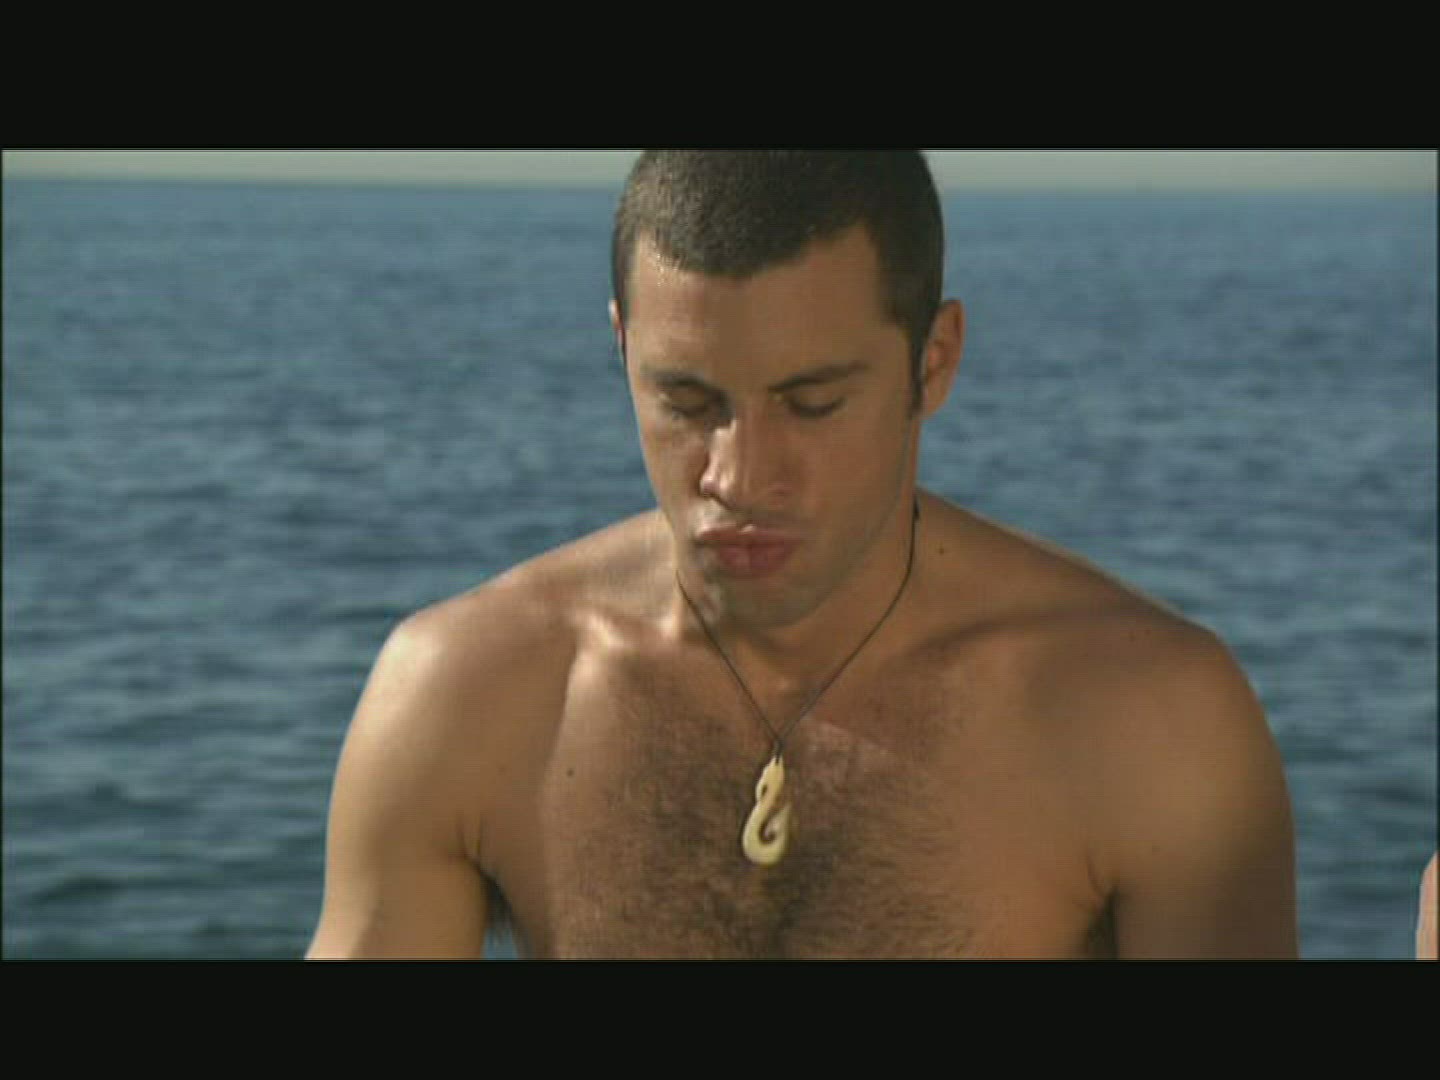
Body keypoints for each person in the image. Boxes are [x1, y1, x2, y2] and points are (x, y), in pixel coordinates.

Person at [307, 151, 1298, 959]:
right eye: (687, 402)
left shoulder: (1146, 719)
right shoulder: (469, 695)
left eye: (813, 404)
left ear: (933, 362)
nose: (738, 477)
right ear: (621, 347)